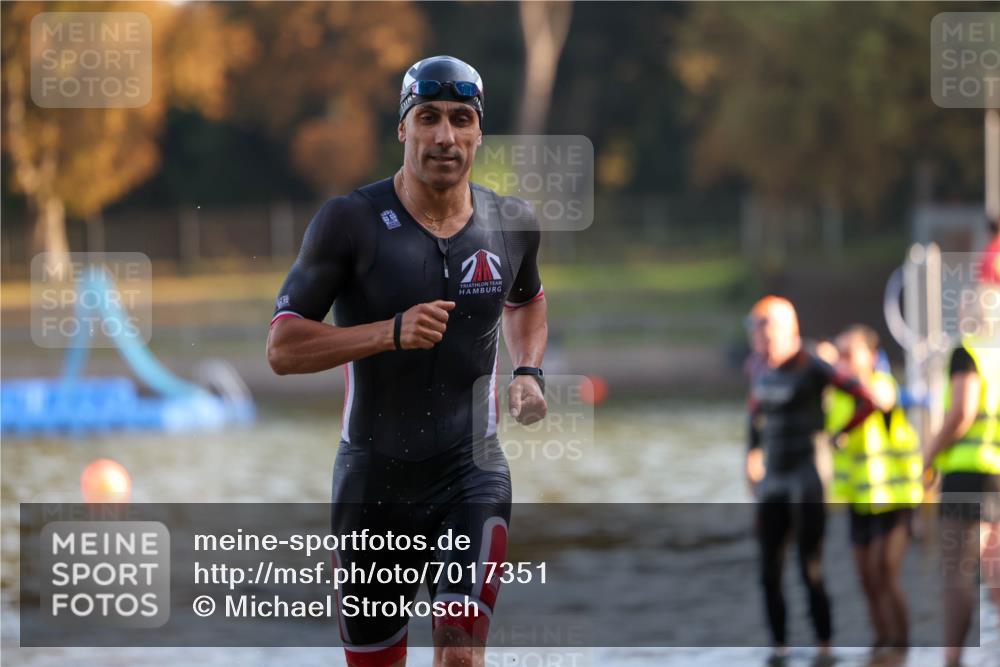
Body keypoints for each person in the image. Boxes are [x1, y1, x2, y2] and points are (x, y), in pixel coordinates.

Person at [266, 55, 549, 667]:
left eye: (461, 119)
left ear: (479, 133)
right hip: (373, 483)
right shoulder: (350, 222)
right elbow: (283, 348)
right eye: (428, 118)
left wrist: (527, 370)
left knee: (460, 651)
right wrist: (388, 333)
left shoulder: (511, 224)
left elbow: (527, 301)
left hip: (471, 474)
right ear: (403, 128)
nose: (445, 136)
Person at [744, 296, 877, 666]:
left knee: (810, 568)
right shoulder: (758, 367)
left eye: (766, 329)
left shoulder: (813, 365)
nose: (761, 337)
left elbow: (865, 398)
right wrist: (751, 457)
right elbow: (753, 415)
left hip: (808, 475)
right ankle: (779, 649)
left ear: (789, 329)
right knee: (768, 571)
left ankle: (824, 648)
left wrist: (839, 434)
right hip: (773, 478)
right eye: (756, 329)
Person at [828, 325, 922, 661]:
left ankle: (902, 646)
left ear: (870, 356)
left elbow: (880, 399)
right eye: (839, 354)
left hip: (894, 500)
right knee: (866, 577)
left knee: (886, 572)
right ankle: (881, 643)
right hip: (861, 501)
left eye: (848, 353)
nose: (842, 360)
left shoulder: (882, 383)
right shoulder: (839, 396)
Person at [923, 301, 1000, 667]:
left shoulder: (967, 351)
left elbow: (962, 412)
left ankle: (951, 659)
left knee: (958, 574)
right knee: (995, 572)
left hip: (967, 475)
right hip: (995, 473)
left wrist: (928, 456)